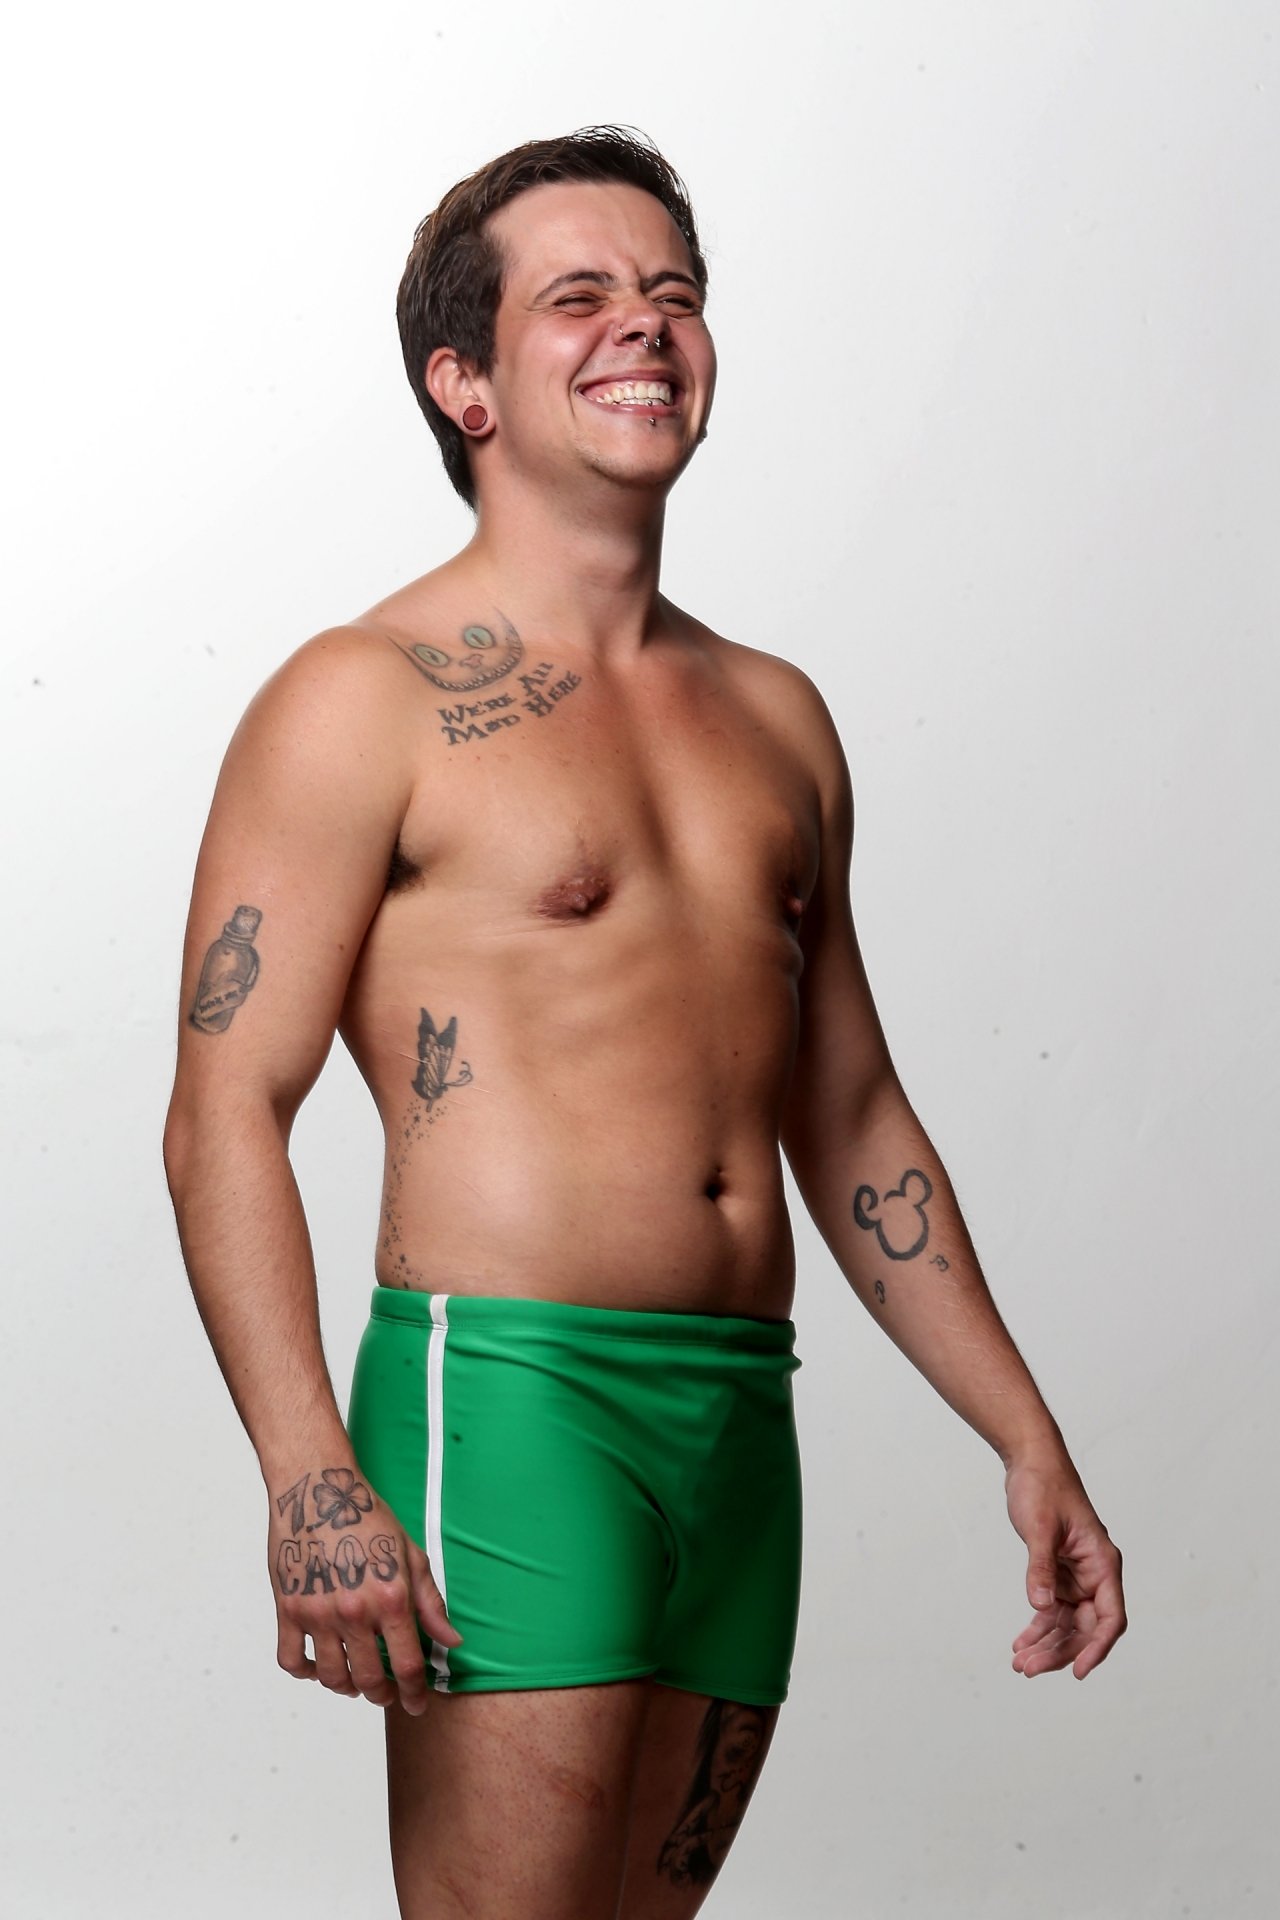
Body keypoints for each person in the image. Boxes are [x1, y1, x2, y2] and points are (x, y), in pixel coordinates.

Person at [163, 125, 1127, 1920]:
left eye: (673, 291)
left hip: (740, 1416)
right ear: (462, 382)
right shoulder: (361, 699)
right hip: (512, 1396)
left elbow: (851, 1110)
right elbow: (224, 1104)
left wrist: (1024, 1433)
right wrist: (308, 1474)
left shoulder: (776, 719)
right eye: (581, 296)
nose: (645, 325)